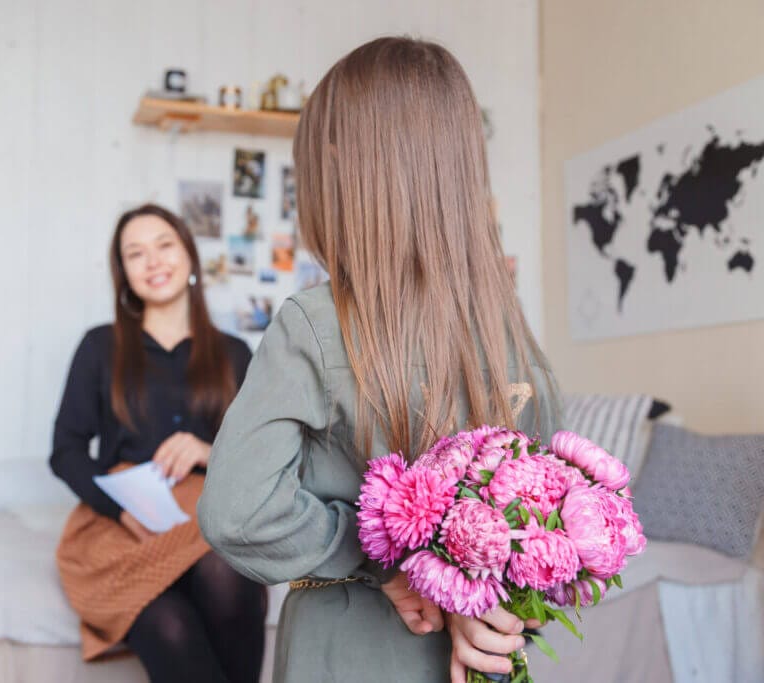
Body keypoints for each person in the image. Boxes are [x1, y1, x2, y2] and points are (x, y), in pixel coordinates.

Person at [197, 38, 562, 683]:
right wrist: (490, 612)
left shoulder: (314, 323)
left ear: (341, 173)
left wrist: (386, 563)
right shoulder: (512, 337)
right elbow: (544, 540)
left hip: (342, 655)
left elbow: (237, 512)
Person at [51, 204, 267, 683]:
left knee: (226, 575)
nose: (153, 261)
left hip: (207, 521)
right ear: (124, 273)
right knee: (169, 624)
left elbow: (264, 457)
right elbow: (65, 452)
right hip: (125, 526)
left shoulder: (234, 354)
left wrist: (208, 452)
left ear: (189, 255)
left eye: (164, 245)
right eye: (135, 253)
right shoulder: (99, 347)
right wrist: (120, 508)